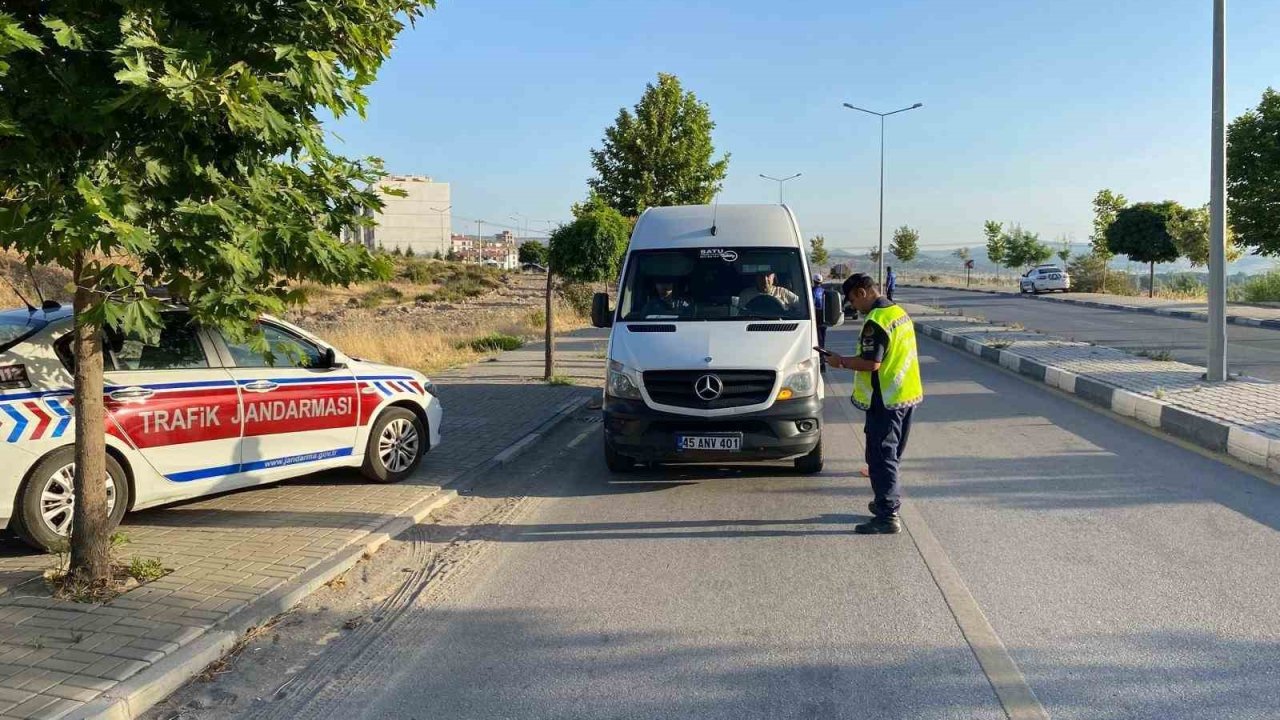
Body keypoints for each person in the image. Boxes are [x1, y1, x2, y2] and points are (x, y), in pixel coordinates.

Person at [823, 273, 923, 534]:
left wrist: (840, 361)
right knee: (891, 455)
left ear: (861, 292)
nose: (853, 307)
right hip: (905, 394)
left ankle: (888, 515)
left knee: (881, 458)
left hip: (886, 400)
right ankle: (883, 502)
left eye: (852, 301)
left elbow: (872, 363)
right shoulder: (898, 312)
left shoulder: (876, 321)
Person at [812, 274, 827, 369]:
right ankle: (822, 363)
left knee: (815, 341)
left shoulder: (811, 291)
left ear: (813, 281)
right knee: (822, 341)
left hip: (815, 318)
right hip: (824, 319)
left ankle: (818, 363)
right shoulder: (825, 292)